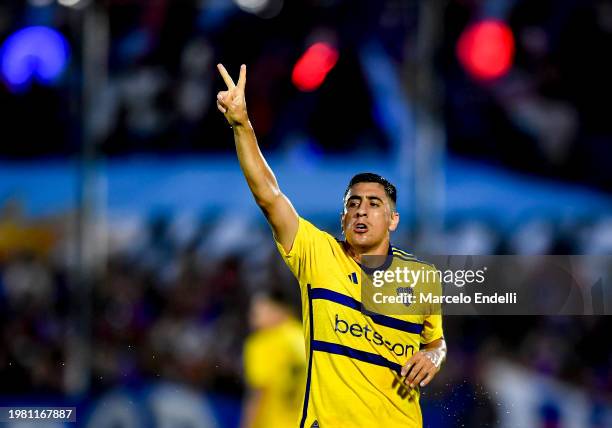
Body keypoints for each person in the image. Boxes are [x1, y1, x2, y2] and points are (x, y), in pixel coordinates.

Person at [217, 63, 447, 428]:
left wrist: (434, 357)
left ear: (393, 220)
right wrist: (242, 125)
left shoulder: (422, 279)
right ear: (342, 219)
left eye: (374, 205)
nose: (361, 211)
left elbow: (436, 343)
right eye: (352, 204)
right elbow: (270, 196)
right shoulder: (318, 254)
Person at [241, 290, 306, 428]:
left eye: (257, 313)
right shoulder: (304, 335)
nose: (251, 318)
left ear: (278, 310)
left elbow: (259, 391)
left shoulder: (263, 342)